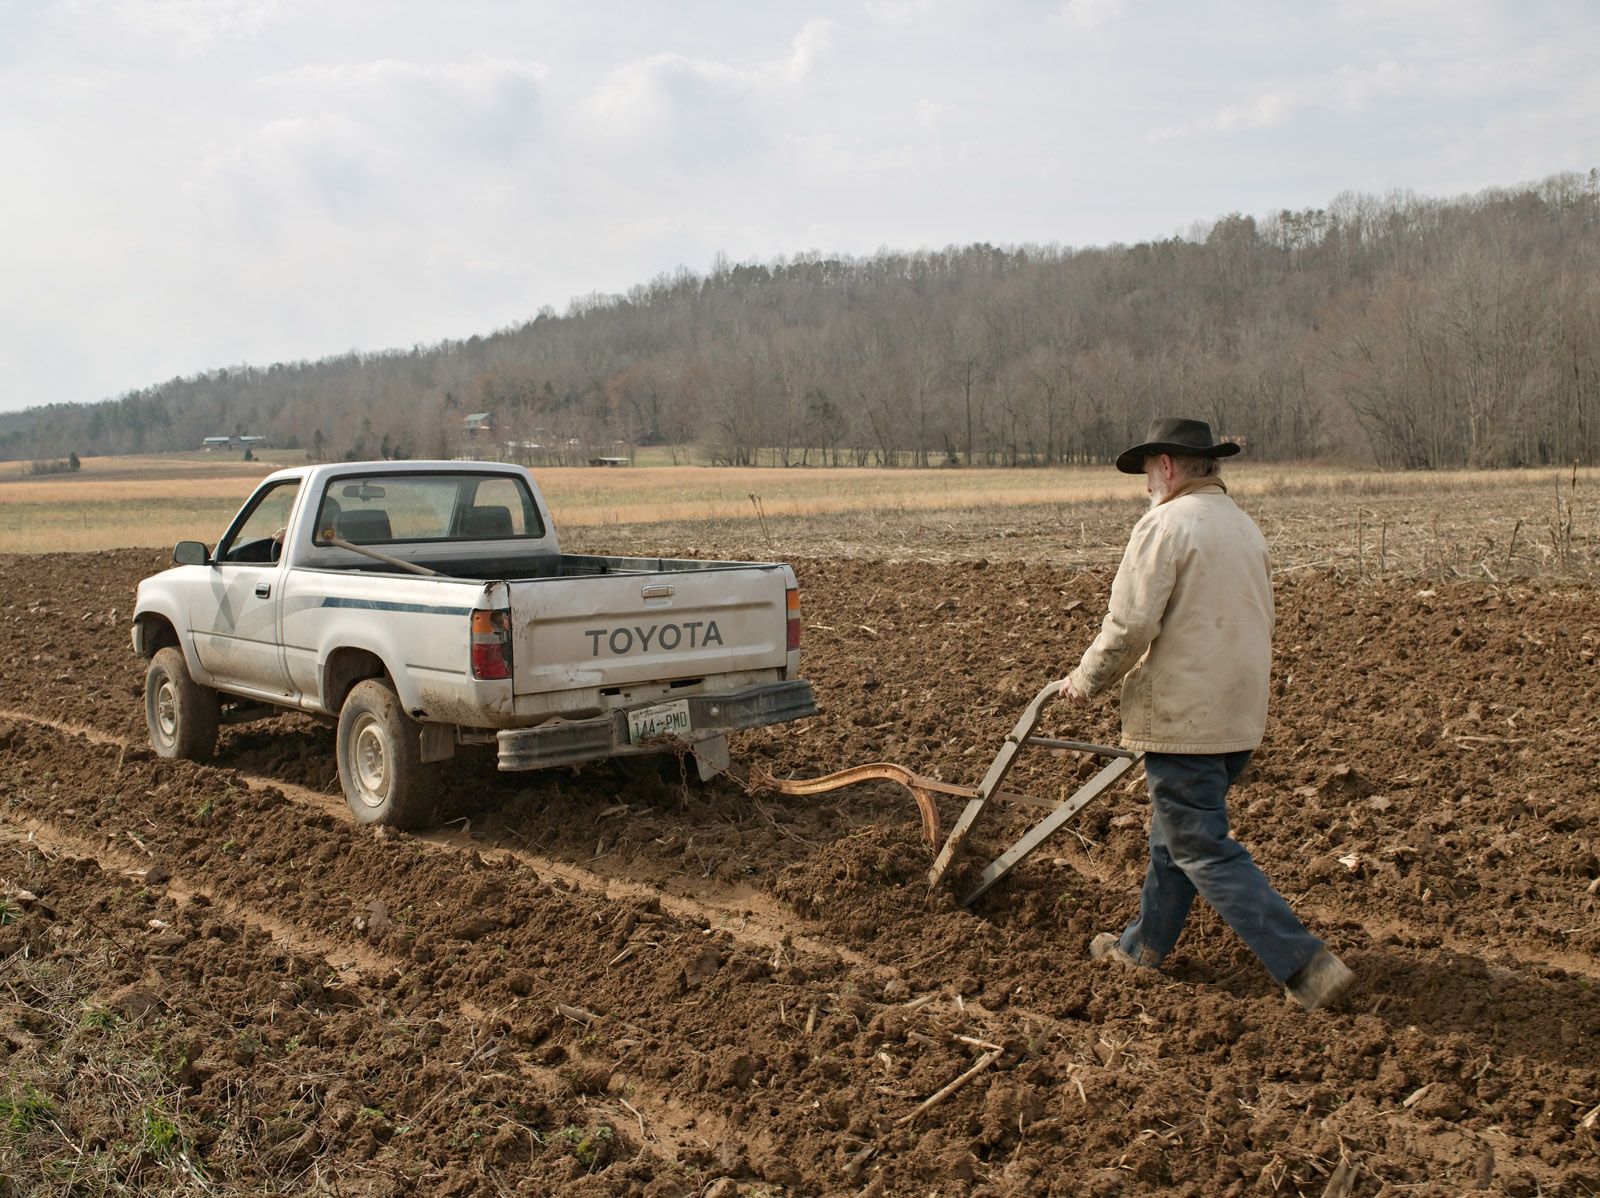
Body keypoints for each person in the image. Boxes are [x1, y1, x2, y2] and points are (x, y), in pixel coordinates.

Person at [1060, 416, 1354, 1011]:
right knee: (1175, 841)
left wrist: (1085, 680)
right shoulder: (1244, 527)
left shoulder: (1166, 525)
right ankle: (1140, 950)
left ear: (1167, 465)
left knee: (1202, 847)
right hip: (1237, 718)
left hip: (1186, 720)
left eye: (1148, 469)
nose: (1146, 481)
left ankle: (1308, 967)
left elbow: (1131, 626)